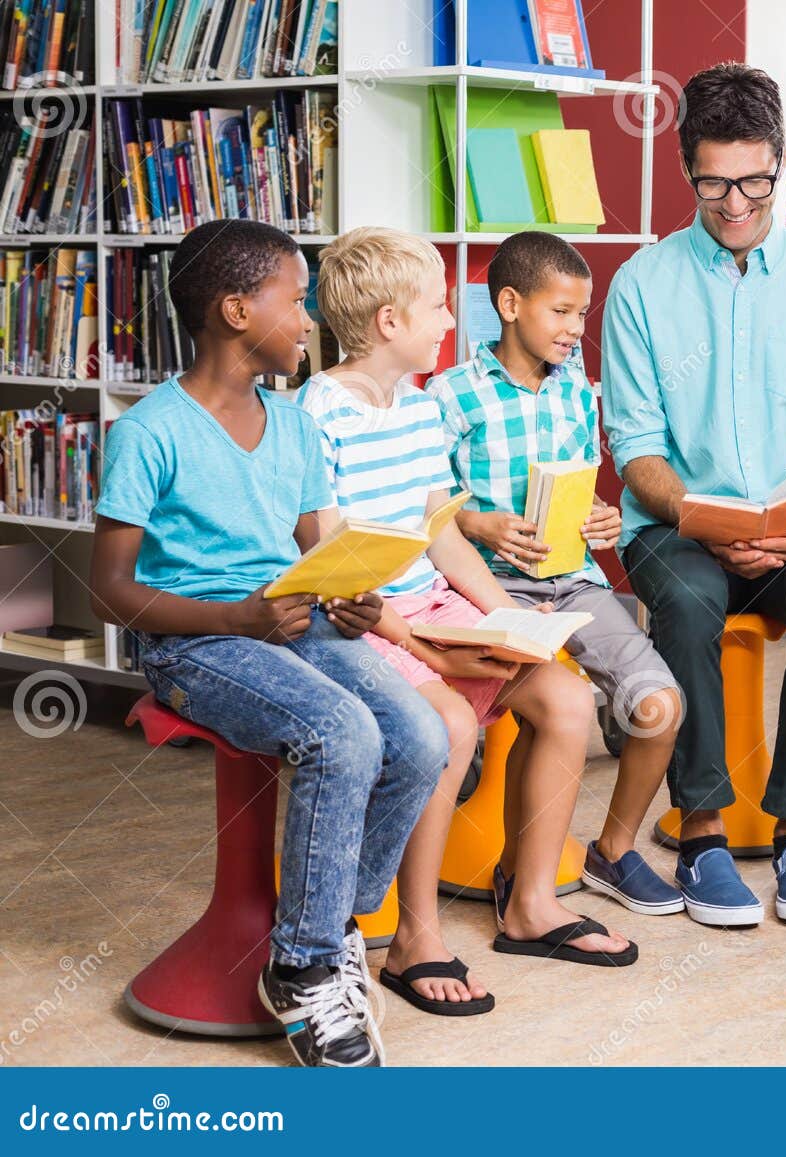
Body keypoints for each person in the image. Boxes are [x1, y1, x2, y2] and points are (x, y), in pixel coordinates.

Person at [90, 219, 450, 1066]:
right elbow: (109, 590)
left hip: (291, 616)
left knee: (423, 732)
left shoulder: (291, 423)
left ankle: (333, 928)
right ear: (236, 310)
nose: (311, 319)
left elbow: (309, 546)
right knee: (341, 731)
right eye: (297, 301)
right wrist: (236, 619)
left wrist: (349, 594)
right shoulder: (149, 433)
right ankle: (303, 966)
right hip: (197, 640)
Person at [301, 227, 636, 1021]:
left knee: (566, 701)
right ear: (389, 322)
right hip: (361, 614)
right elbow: (325, 553)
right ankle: (416, 936)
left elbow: (441, 534)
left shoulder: (418, 408)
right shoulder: (318, 410)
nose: (450, 321)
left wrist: (504, 612)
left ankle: (530, 907)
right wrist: (416, 639)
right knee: (449, 723)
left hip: (433, 600)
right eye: (437, 307)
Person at [602, 62, 786, 926]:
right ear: (687, 169)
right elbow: (636, 445)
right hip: (675, 523)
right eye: (714, 182)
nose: (736, 202)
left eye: (755, 180)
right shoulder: (642, 284)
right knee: (686, 599)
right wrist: (702, 519)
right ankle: (704, 833)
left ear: (779, 163)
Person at [427, 230, 685, 918]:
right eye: (561, 311)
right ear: (510, 304)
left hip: (575, 582)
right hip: (487, 589)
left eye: (582, 314)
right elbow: (424, 514)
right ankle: (521, 873)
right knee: (546, 712)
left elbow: (578, 493)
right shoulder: (451, 395)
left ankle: (614, 849)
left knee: (660, 707)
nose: (576, 329)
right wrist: (478, 524)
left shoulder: (578, 391)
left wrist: (604, 517)